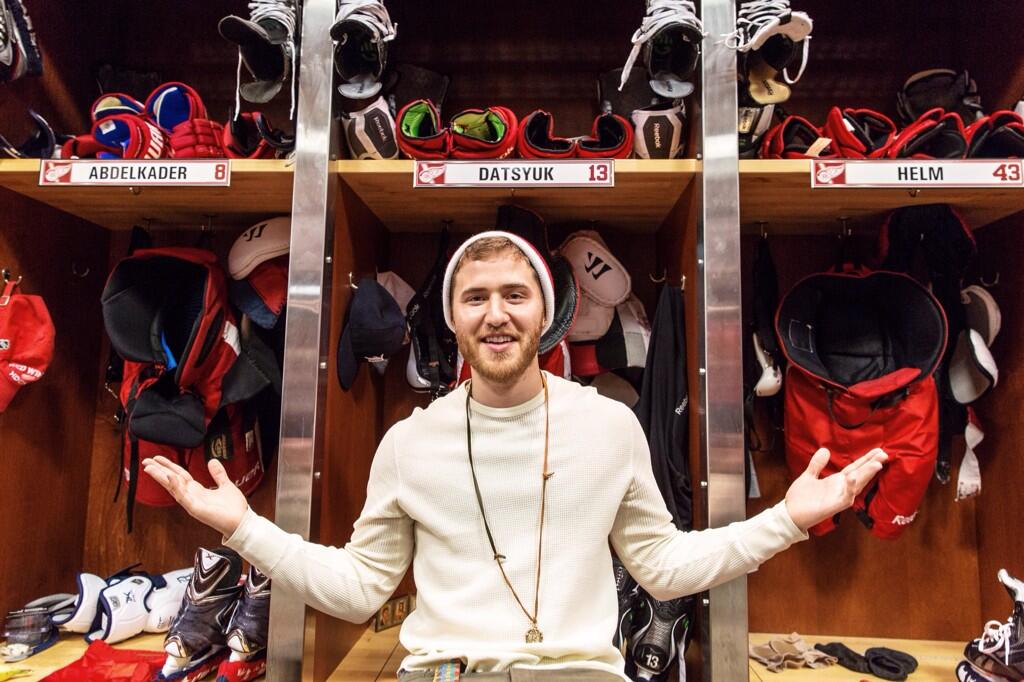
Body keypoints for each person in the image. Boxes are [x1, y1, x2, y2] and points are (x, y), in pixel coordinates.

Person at [143, 231, 888, 681]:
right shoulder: (408, 443)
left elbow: (662, 568)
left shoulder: (610, 426)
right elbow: (359, 587)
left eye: (514, 295)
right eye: (475, 299)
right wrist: (245, 528)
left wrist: (786, 520)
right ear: (453, 320)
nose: (496, 313)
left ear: (546, 312)